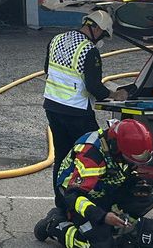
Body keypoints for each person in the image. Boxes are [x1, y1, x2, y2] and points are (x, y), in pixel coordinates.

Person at [43, 10, 128, 200]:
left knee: (62, 156)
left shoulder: (56, 39)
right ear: (96, 28)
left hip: (52, 107)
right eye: (103, 34)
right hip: (77, 112)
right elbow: (94, 86)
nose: (102, 39)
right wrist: (113, 95)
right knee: (95, 153)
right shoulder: (89, 50)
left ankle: (61, 202)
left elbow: (47, 69)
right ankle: (91, 200)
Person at [34, 119, 153, 248]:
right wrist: (102, 216)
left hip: (103, 190)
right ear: (116, 148)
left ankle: (118, 228)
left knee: (146, 198)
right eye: (130, 159)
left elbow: (123, 170)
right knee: (97, 245)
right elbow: (73, 196)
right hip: (77, 199)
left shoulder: (117, 147)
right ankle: (54, 224)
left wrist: (134, 183)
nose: (134, 164)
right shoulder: (92, 156)